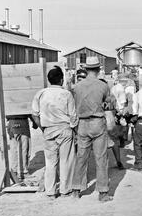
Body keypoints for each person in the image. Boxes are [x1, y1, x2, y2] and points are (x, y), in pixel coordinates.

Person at [32, 66, 78, 199]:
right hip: (64, 130)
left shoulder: (41, 94)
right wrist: (75, 130)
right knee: (65, 161)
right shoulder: (66, 94)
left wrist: (43, 128)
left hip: (48, 130)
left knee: (50, 162)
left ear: (49, 80)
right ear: (62, 80)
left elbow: (35, 115)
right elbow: (73, 116)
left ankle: (51, 192)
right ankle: (65, 190)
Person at [72, 56, 112, 202]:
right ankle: (102, 192)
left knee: (81, 157)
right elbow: (108, 104)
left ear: (86, 69)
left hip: (82, 124)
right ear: (99, 69)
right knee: (101, 158)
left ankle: (76, 189)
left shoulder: (77, 87)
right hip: (97, 122)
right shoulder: (103, 86)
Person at [6, 115, 37, 180]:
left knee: (14, 150)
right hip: (23, 123)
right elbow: (30, 111)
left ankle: (14, 171)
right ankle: (23, 172)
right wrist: (35, 122)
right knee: (24, 149)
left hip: (11, 123)